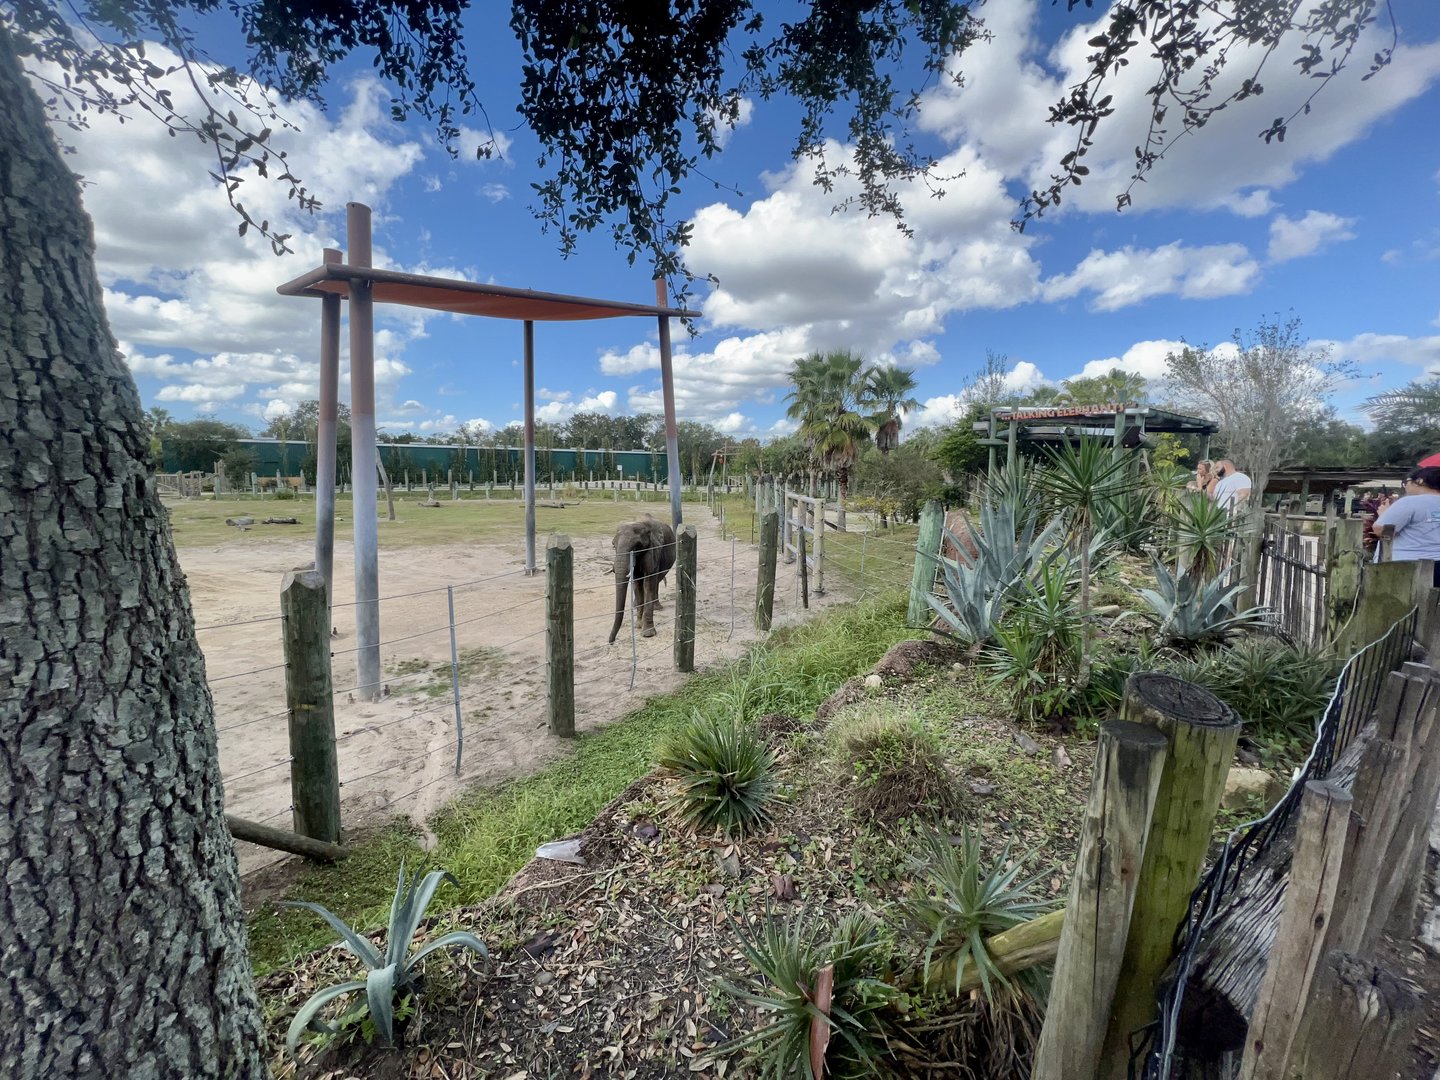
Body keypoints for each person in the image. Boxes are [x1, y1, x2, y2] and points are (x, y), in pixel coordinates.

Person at [1372, 468, 1440, 576]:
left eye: (1406, 482)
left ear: (1419, 481)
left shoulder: (1410, 502)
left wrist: (1384, 514)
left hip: (1407, 565)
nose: (1406, 486)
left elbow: (1381, 530)